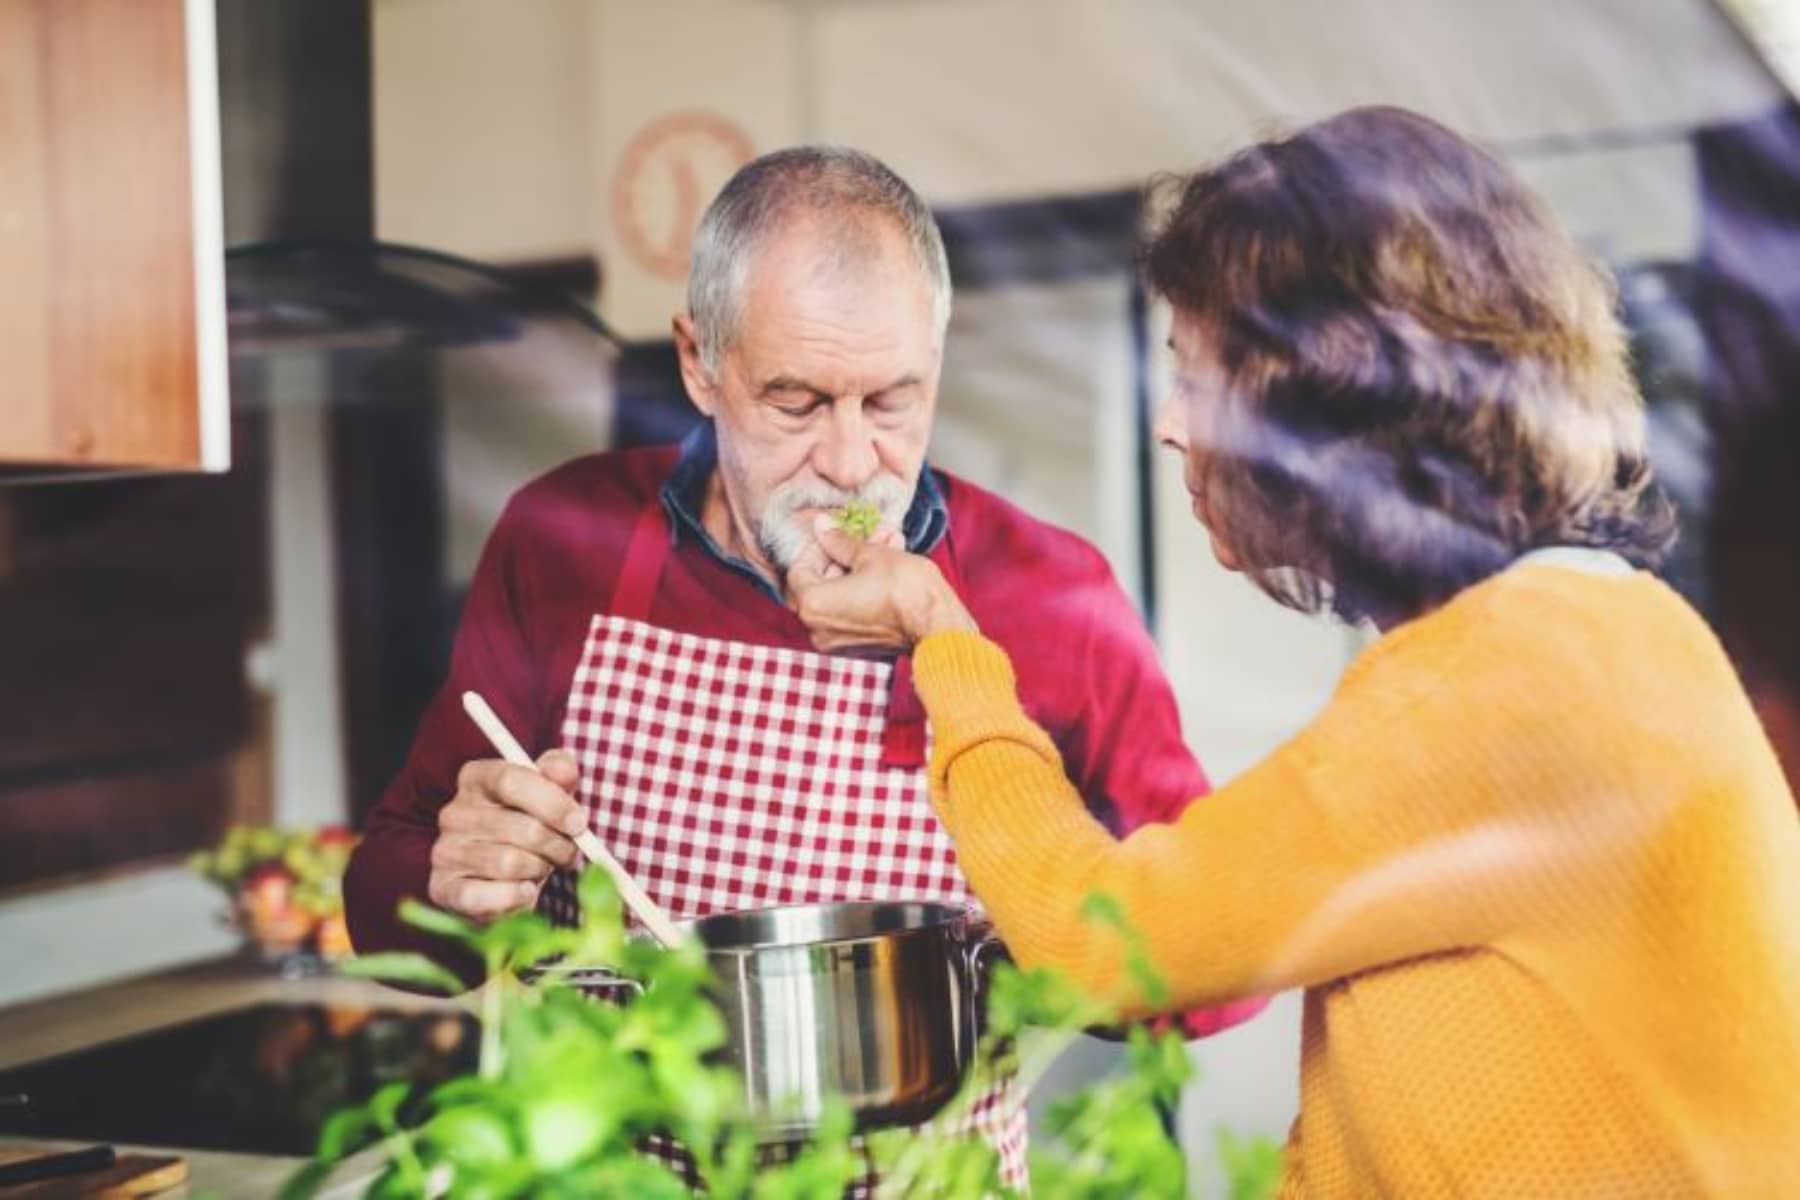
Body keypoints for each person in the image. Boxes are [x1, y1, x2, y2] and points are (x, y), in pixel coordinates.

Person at [789, 108, 1800, 1195]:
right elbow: (1371, 1121)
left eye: (1195, 370)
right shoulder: (1557, 638)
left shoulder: (1522, 674)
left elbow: (1102, 947)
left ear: (1320, 393)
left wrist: (944, 638)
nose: (1172, 423)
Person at [345, 145, 1261, 1189]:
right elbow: (383, 893)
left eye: (891, 402)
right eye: (796, 402)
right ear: (700, 362)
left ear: (937, 365)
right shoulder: (560, 539)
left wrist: (1024, 936)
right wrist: (456, 886)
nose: (849, 463)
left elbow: (1221, 976)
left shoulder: (1055, 599)